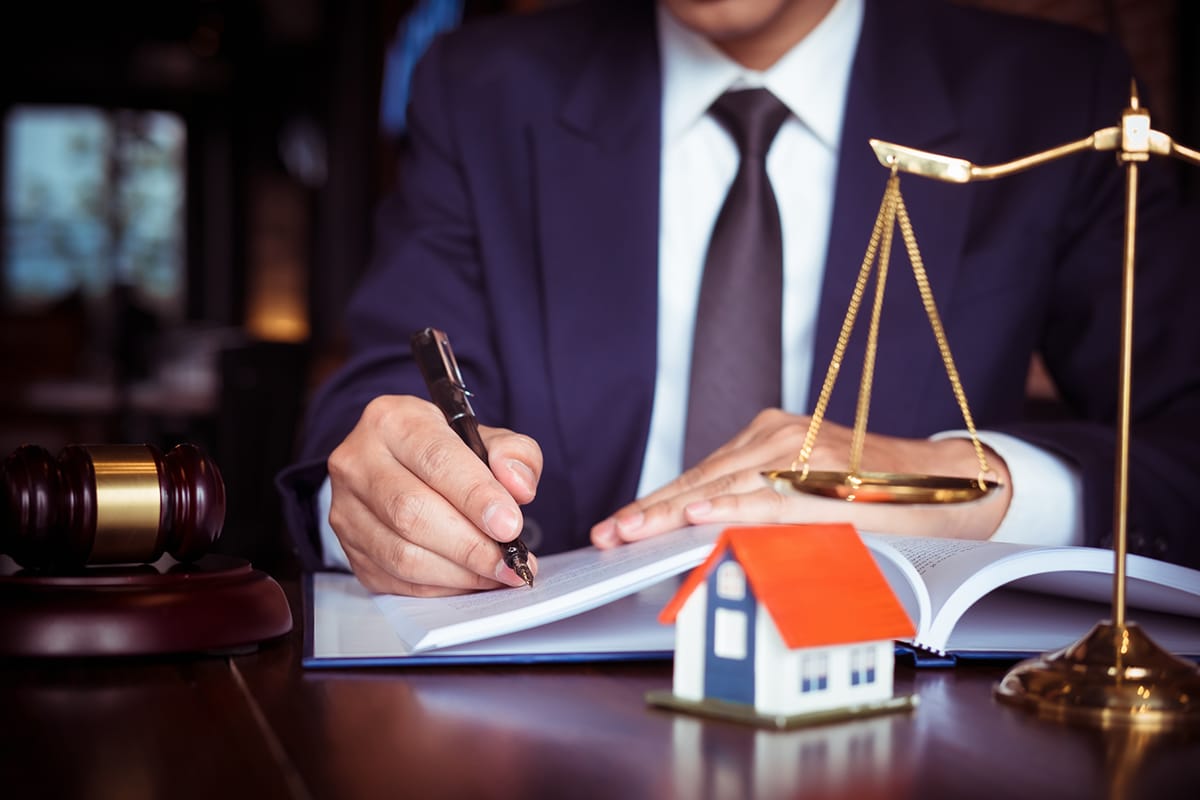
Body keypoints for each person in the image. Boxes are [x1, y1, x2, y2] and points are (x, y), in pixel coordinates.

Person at [277, 0, 1200, 597]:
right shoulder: (483, 92)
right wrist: (375, 504)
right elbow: (371, 424)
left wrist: (969, 489)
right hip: (533, 716)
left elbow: (1185, 449)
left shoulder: (1057, 100)